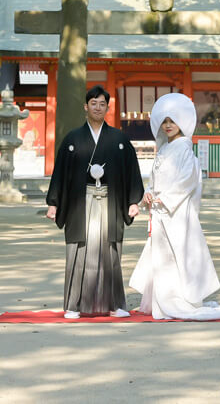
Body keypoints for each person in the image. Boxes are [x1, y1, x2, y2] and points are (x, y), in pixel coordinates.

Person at [129, 92, 220, 321]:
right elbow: (154, 179)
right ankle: (162, 299)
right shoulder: (164, 148)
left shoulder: (184, 149)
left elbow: (187, 181)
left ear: (182, 122)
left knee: (177, 255)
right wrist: (149, 192)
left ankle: (177, 299)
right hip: (161, 211)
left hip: (176, 211)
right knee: (161, 256)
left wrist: (165, 198)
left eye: (173, 121)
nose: (168, 126)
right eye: (165, 121)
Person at [46, 85, 144, 319]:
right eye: (93, 103)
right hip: (81, 203)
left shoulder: (119, 139)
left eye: (102, 104)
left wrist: (133, 201)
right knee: (79, 251)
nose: (98, 108)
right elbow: (60, 173)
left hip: (110, 201)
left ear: (107, 108)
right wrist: (53, 202)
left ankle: (115, 304)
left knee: (111, 252)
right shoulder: (72, 139)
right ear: (85, 106)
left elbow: (132, 171)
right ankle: (73, 305)